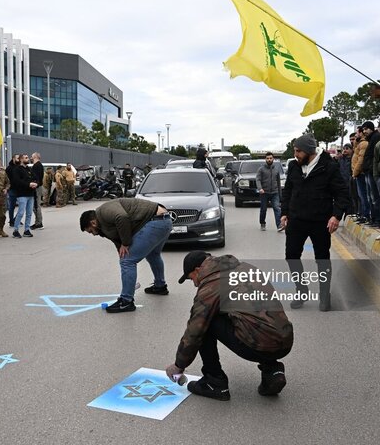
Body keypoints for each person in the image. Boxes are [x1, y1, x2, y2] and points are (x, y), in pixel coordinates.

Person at [165, 251, 294, 400]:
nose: (194, 283)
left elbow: (195, 330)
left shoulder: (211, 286)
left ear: (197, 270)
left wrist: (179, 365)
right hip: (285, 340)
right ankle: (272, 371)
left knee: (205, 322)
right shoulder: (246, 268)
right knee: (252, 318)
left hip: (259, 346)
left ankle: (214, 382)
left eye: (191, 278)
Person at [280, 134, 349, 311]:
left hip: (320, 221)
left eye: (298, 151)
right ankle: (301, 291)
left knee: (322, 259)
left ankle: (324, 295)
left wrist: (336, 216)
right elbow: (288, 190)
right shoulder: (294, 166)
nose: (295, 154)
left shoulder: (329, 166)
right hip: (296, 220)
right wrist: (285, 212)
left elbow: (342, 194)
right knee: (292, 256)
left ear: (309, 150)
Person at [80, 198, 173, 312]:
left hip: (155, 221)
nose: (92, 234)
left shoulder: (104, 211)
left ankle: (126, 301)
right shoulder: (102, 227)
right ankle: (160, 286)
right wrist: (121, 248)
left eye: (90, 231)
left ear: (93, 223)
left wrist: (126, 243)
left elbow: (122, 217)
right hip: (164, 221)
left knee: (127, 261)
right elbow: (116, 238)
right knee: (153, 255)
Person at [361, 122, 380, 227]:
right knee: (370, 197)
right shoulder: (371, 139)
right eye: (363, 130)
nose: (364, 131)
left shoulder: (376, 137)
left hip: (372, 172)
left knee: (375, 197)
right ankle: (374, 219)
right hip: (368, 171)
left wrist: (371, 168)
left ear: (371, 128)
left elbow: (375, 157)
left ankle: (379, 220)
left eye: (366, 129)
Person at [11, 154, 38, 238]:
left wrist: (35, 183)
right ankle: (16, 230)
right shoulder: (17, 169)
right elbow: (17, 181)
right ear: (21, 159)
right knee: (21, 212)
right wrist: (28, 184)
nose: (28, 159)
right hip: (22, 194)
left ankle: (26, 230)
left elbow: (35, 177)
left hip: (30, 194)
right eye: (26, 158)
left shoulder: (29, 169)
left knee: (29, 213)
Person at [256, 152, 282, 232]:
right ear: (265, 159)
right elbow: (258, 179)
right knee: (263, 209)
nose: (269, 160)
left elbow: (278, 182)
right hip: (264, 193)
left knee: (277, 208)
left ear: (273, 159)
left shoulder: (276, 169)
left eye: (270, 158)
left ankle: (279, 225)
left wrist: (280, 194)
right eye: (267, 158)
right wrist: (260, 188)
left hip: (275, 192)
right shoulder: (261, 169)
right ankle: (262, 223)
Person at [352, 128, 371, 223]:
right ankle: (363, 214)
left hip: (360, 173)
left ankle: (366, 215)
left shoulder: (363, 144)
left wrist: (355, 172)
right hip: (358, 174)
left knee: (364, 196)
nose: (355, 135)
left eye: (357, 133)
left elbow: (360, 160)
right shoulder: (359, 144)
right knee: (360, 196)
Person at [30, 152, 45, 228]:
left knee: (36, 205)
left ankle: (39, 223)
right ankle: (38, 222)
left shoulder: (37, 166)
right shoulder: (39, 165)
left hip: (36, 188)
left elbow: (36, 178)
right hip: (38, 187)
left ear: (35, 157)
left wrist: (34, 184)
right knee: (36, 205)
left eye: (32, 156)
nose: (30, 158)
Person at [6, 154, 20, 225]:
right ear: (13, 159)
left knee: (22, 206)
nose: (19, 160)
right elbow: (7, 179)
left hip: (20, 189)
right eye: (17, 158)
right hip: (12, 189)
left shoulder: (20, 167)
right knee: (12, 206)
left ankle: (17, 219)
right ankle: (11, 221)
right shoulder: (9, 168)